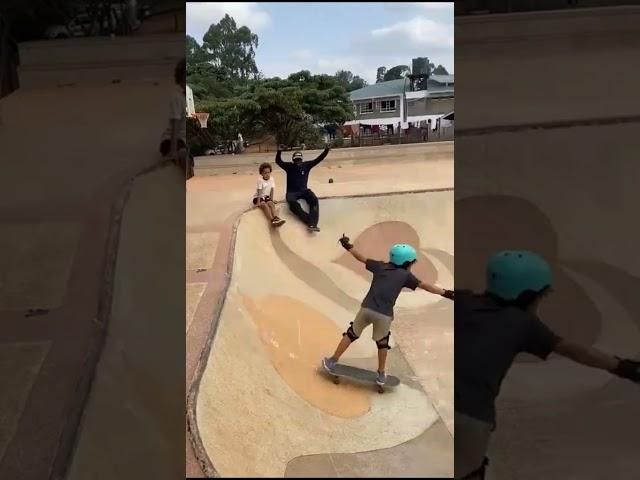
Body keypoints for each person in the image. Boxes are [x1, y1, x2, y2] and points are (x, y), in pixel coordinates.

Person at [455, 250, 640, 480]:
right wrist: (623, 367)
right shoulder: (525, 324)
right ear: (528, 296)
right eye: (541, 296)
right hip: (471, 416)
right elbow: (575, 351)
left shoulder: (462, 302)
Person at [322, 236, 454, 385]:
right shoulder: (406, 276)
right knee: (382, 344)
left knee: (351, 333)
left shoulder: (380, 266)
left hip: (366, 309)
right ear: (406, 263)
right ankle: (381, 375)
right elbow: (426, 286)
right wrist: (446, 293)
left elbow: (361, 258)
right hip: (384, 316)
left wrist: (348, 246)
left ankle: (332, 361)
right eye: (411, 263)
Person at [275, 144, 330, 232]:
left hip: (304, 191)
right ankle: (310, 221)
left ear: (302, 159)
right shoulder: (289, 166)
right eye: (296, 160)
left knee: (314, 200)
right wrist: (279, 151)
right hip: (292, 192)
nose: (298, 162)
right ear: (293, 160)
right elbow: (278, 161)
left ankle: (312, 224)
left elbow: (318, 159)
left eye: (299, 160)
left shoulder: (307, 165)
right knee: (293, 205)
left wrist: (326, 150)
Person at [159, 58, 191, 178]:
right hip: (171, 140)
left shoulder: (188, 97)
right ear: (181, 80)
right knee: (183, 155)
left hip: (183, 140)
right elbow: (175, 125)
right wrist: (173, 151)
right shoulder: (177, 98)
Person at [253, 162, 285, 227]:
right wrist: (258, 202)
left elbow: (272, 189)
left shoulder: (272, 179)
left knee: (271, 204)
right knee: (264, 205)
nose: (267, 174)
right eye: (265, 173)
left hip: (266, 197)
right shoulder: (260, 180)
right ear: (261, 173)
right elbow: (259, 191)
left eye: (268, 172)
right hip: (258, 197)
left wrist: (271, 199)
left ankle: (276, 217)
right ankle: (272, 220)